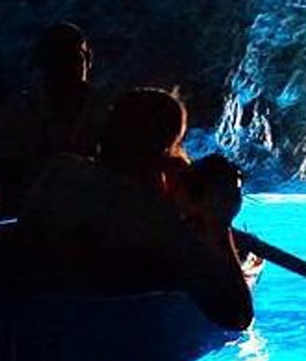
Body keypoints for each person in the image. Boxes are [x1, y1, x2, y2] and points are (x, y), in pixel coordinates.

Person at [20, 87, 254, 330]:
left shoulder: (60, 171)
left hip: (36, 292)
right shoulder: (159, 221)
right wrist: (219, 225)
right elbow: (238, 317)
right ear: (166, 150)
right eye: (177, 142)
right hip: (87, 311)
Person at [0, 22, 111, 208]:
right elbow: (6, 172)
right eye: (60, 59)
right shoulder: (21, 110)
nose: (68, 66)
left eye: (73, 57)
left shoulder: (102, 106)